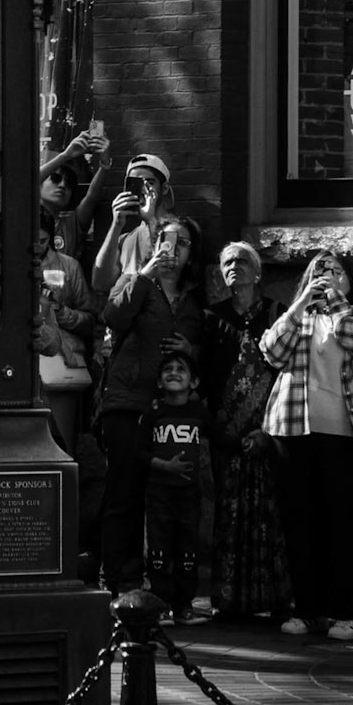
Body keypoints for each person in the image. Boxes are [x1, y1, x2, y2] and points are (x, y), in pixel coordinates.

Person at [261, 251, 353, 644]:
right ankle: (308, 609)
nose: (325, 276)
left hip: (347, 433)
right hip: (293, 430)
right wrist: (301, 305)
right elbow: (271, 351)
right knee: (300, 522)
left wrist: (337, 305)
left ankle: (350, 612)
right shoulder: (298, 317)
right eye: (318, 271)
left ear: (349, 279)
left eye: (334, 271)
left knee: (345, 523)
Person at [94, 215, 184, 594]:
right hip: (126, 404)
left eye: (178, 244)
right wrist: (143, 275)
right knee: (123, 494)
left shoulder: (177, 294)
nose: (169, 251)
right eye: (164, 242)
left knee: (144, 496)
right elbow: (113, 315)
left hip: (154, 405)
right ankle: (116, 580)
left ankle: (136, 578)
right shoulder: (134, 280)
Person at [202, 241, 290, 623]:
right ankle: (229, 602)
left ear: (257, 272)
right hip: (226, 432)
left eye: (242, 261)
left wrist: (266, 431)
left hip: (268, 428)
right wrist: (220, 432)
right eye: (227, 262)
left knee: (270, 513)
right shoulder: (211, 317)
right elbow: (204, 376)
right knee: (229, 513)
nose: (234, 267)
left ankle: (274, 600)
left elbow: (286, 371)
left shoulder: (276, 312)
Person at [144, 350, 207, 621]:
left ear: (193, 382)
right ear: (159, 381)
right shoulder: (152, 413)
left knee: (187, 549)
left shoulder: (199, 413)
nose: (173, 372)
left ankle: (184, 606)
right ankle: (160, 604)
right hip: (159, 492)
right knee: (158, 549)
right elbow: (138, 453)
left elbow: (218, 438)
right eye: (168, 369)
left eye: (181, 369)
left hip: (189, 494)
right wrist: (164, 466)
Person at [38, 205, 100, 455]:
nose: (35, 247)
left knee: (62, 443)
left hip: (60, 361)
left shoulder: (68, 266)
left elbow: (90, 319)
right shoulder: (7, 263)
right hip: (24, 361)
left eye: (41, 240)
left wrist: (62, 312)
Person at [91, 153, 174, 295]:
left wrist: (151, 219)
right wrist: (116, 225)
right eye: (137, 184)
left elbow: (170, 277)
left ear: (164, 188)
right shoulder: (125, 240)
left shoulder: (178, 229)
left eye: (149, 183)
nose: (143, 190)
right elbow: (100, 284)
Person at [39, 127, 106, 269]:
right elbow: (26, 184)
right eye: (56, 178)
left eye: (69, 183)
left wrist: (105, 163)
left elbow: (92, 196)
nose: (62, 185)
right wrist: (66, 155)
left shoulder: (72, 224)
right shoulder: (26, 218)